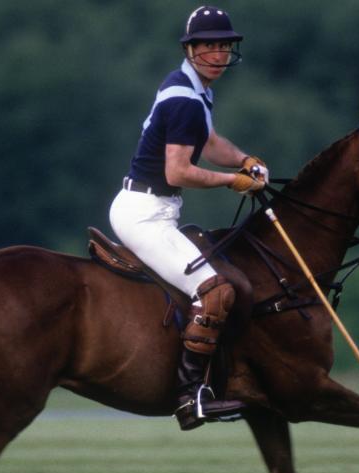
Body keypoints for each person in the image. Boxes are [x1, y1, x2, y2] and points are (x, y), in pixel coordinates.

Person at [109, 5, 268, 431]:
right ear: (192, 49)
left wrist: (244, 159)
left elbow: (210, 141)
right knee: (214, 292)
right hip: (144, 214)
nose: (218, 54)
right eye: (210, 46)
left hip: (155, 209)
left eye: (224, 46)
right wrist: (233, 181)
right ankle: (188, 395)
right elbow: (177, 172)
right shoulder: (183, 99)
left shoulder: (196, 91)